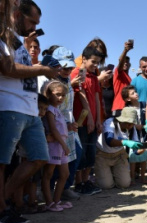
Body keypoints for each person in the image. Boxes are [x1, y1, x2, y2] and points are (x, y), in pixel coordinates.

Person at [0, 0, 60, 223]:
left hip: (30, 111)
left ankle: (3, 198)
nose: (34, 26)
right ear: (16, 13)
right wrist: (42, 69)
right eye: (31, 20)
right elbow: (7, 68)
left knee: (39, 158)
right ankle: (3, 209)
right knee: (2, 162)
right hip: (8, 107)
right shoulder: (2, 35)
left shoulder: (17, 40)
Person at [71, 46, 103, 195]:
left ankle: (86, 181)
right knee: (81, 152)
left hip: (93, 120)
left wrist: (98, 119)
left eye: (98, 62)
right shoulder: (78, 73)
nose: (96, 65)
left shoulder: (94, 77)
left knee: (91, 151)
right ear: (84, 59)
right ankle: (79, 183)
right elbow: (81, 95)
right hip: (81, 120)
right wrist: (89, 117)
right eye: (93, 62)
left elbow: (96, 99)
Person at [51, 46, 81, 201]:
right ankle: (50, 191)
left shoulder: (68, 80)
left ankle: (65, 188)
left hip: (70, 123)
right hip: (56, 126)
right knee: (55, 160)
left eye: (70, 66)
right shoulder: (50, 81)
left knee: (76, 155)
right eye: (64, 66)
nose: (67, 69)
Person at [41, 81, 72, 211]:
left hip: (61, 145)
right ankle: (49, 202)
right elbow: (53, 130)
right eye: (57, 94)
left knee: (65, 174)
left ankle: (57, 200)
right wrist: (64, 145)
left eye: (63, 95)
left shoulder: (57, 110)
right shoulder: (49, 110)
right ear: (49, 94)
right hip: (55, 145)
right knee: (48, 174)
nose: (61, 98)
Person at [95, 107, 143, 189]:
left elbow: (135, 150)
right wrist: (125, 142)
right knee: (106, 185)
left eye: (132, 124)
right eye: (128, 123)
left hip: (119, 155)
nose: (130, 126)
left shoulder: (131, 128)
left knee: (124, 184)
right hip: (103, 155)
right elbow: (109, 141)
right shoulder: (110, 123)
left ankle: (114, 174)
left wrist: (141, 149)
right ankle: (109, 175)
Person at [121, 85, 147, 185]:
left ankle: (142, 177)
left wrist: (145, 125)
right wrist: (138, 126)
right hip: (133, 136)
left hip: (145, 135)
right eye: (133, 93)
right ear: (128, 98)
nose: (136, 94)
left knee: (144, 155)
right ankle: (132, 178)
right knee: (133, 157)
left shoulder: (144, 104)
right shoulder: (127, 108)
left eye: (135, 92)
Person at [131, 56, 147, 130]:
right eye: (144, 67)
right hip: (139, 111)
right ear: (140, 67)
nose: (146, 69)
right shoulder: (135, 81)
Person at [111, 40, 133, 115]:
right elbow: (120, 63)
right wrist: (125, 50)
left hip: (128, 109)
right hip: (119, 108)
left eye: (127, 62)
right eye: (124, 61)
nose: (125, 63)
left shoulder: (130, 79)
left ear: (130, 64)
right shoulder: (118, 72)